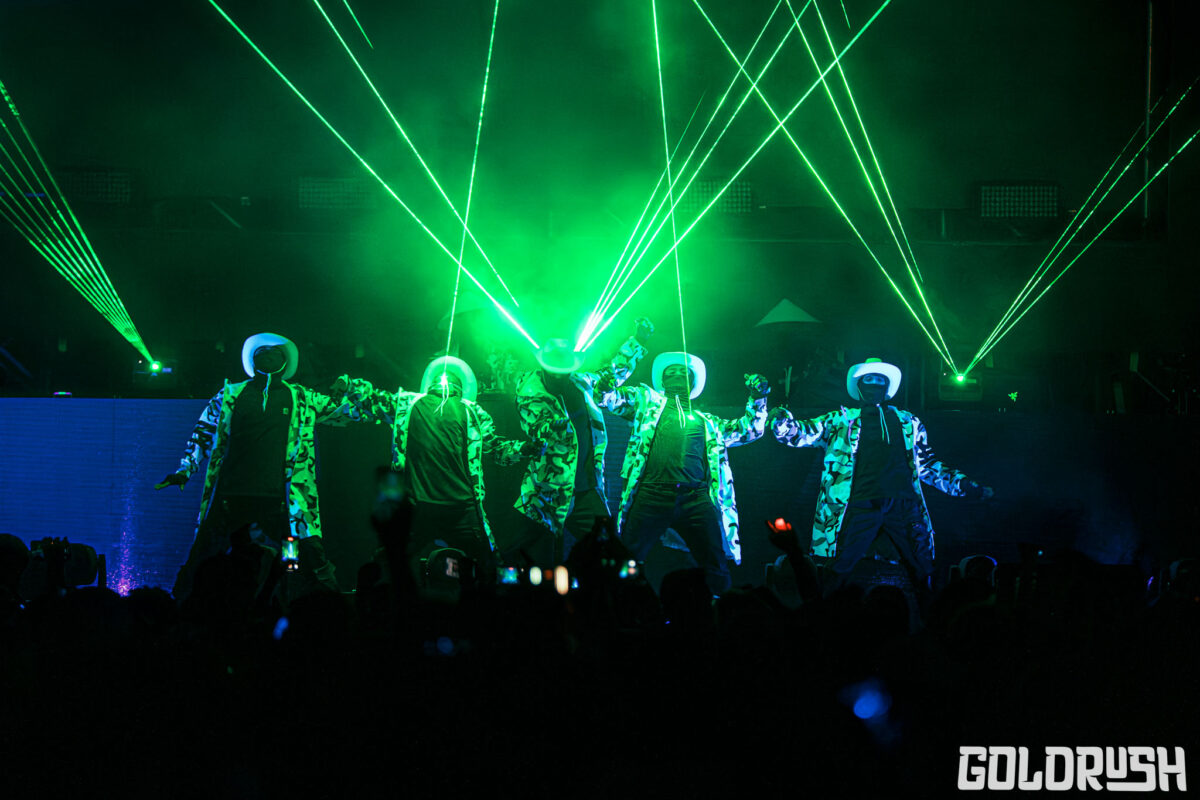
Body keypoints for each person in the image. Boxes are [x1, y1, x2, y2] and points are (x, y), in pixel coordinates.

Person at [769, 356, 993, 603]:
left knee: (922, 565)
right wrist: (782, 422)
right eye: (869, 379)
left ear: (886, 387)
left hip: (904, 504)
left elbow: (927, 464)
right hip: (858, 504)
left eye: (879, 380)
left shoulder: (908, 422)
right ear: (859, 385)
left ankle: (930, 615)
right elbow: (802, 433)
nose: (874, 384)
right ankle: (822, 614)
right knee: (839, 565)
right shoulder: (840, 420)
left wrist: (964, 485)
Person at [156, 332, 356, 601]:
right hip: (232, 495)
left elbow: (341, 411)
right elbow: (203, 431)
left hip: (281, 500)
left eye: (275, 352)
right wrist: (185, 470)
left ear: (285, 362)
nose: (268, 354)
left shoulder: (301, 397)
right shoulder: (231, 394)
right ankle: (181, 603)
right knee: (205, 553)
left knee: (296, 554)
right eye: (262, 351)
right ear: (253, 360)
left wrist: (346, 387)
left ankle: (302, 601)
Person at [333, 356, 533, 587]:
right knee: (490, 566)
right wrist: (526, 448)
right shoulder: (429, 406)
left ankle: (377, 598)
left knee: (390, 564)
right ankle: (506, 596)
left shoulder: (453, 409)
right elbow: (497, 450)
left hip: (443, 508)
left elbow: (374, 400)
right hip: (440, 508)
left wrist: (349, 384)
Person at [598, 351, 769, 594]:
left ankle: (720, 609)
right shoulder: (645, 404)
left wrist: (758, 396)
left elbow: (750, 429)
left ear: (692, 381)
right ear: (663, 381)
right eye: (671, 372)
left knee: (715, 562)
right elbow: (609, 399)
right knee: (628, 558)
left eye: (683, 372)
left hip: (695, 498)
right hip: (651, 494)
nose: (678, 374)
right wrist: (606, 385)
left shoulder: (708, 422)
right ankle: (621, 607)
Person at [512, 318, 652, 565]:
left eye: (564, 368)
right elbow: (536, 429)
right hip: (547, 492)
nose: (559, 374)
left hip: (586, 488)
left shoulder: (581, 383)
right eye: (554, 368)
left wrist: (637, 341)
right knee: (539, 562)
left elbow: (613, 373)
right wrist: (554, 425)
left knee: (608, 552)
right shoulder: (529, 393)